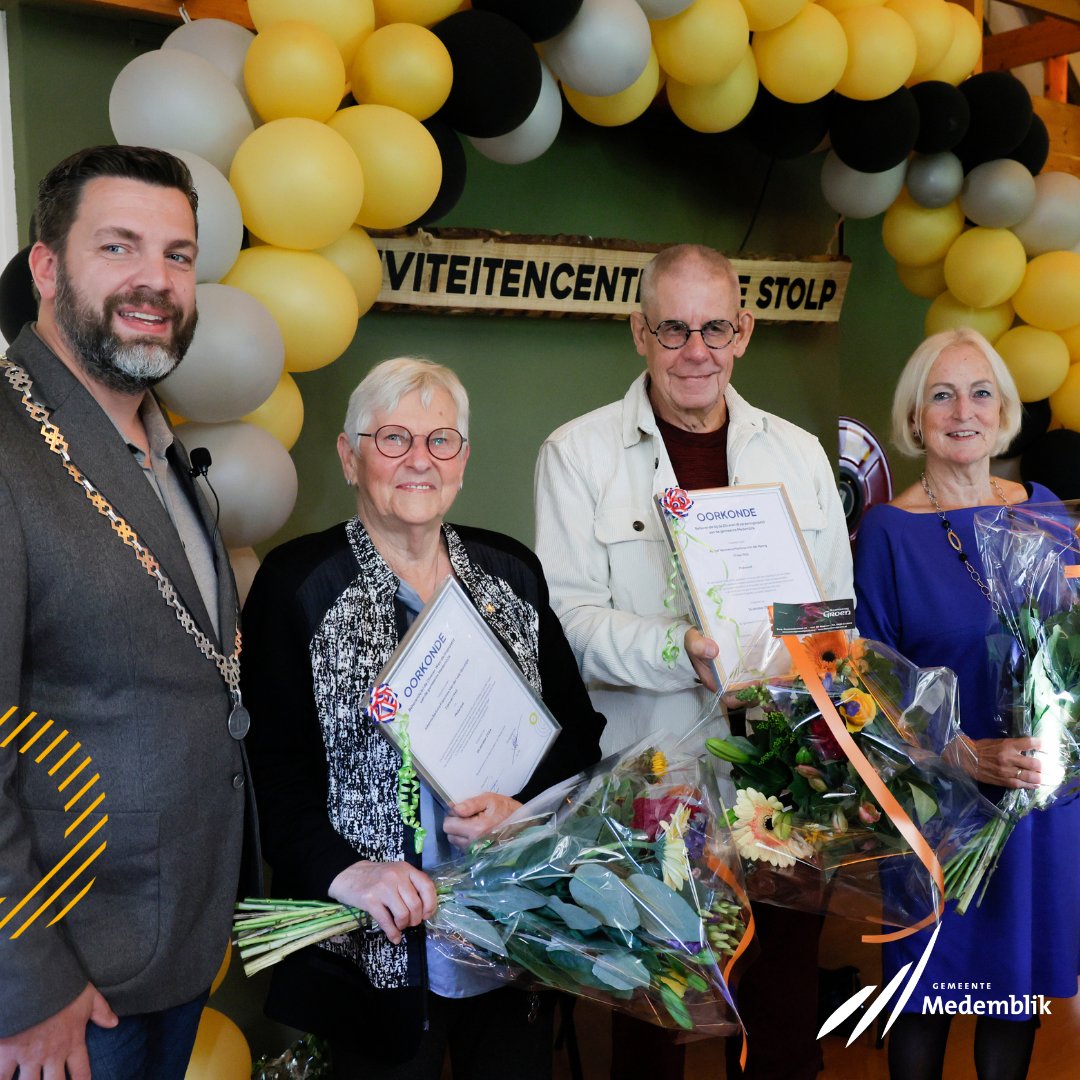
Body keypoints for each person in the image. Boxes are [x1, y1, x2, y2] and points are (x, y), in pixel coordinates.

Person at [534, 243, 852, 1080]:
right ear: (639, 332)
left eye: (714, 327)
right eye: (673, 328)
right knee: (657, 1009)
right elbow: (564, 621)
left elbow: (833, 615)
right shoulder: (578, 453)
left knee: (784, 1003)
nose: (696, 350)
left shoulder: (796, 452)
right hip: (654, 774)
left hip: (784, 774)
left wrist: (807, 659)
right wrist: (683, 650)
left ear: (743, 331)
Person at [240, 357, 606, 1079]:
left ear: (463, 461)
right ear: (350, 457)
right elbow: (266, 775)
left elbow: (578, 738)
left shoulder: (513, 575)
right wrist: (345, 872)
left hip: (508, 938)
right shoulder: (298, 587)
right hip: (369, 951)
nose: (419, 461)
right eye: (393, 440)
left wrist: (524, 810)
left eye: (441, 441)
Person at [0, 146, 252, 1080]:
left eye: (178, 255)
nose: (156, 280)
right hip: (59, 980)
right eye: (119, 246)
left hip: (171, 943)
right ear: (47, 267)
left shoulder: (152, 430)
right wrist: (20, 986)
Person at [854, 327, 1080, 1079]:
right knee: (926, 999)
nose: (963, 411)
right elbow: (868, 683)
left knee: (1010, 1004)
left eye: (981, 392)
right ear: (915, 419)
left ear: (1006, 411)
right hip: (937, 809)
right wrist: (963, 753)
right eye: (941, 395)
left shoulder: (1046, 509)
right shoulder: (886, 533)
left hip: (1036, 808)